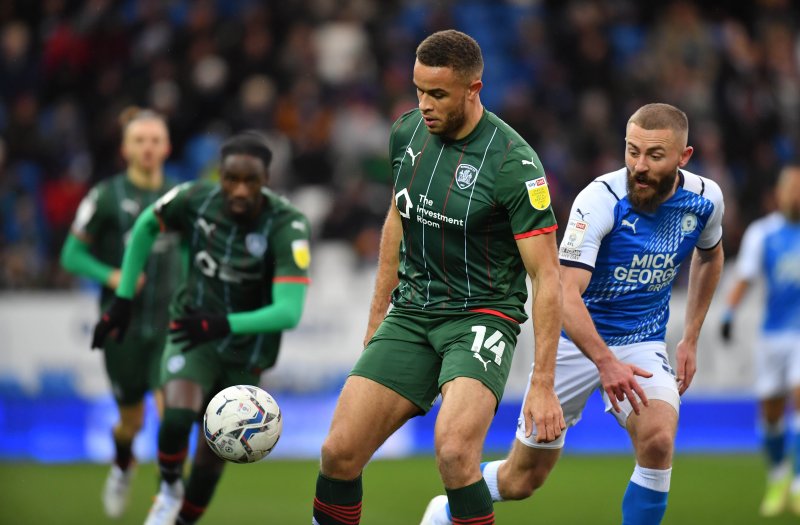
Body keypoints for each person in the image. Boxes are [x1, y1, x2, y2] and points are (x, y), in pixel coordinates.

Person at [421, 102, 725, 525]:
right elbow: (564, 293)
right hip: (571, 345)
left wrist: (690, 335)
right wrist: (604, 361)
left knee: (658, 441)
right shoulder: (600, 200)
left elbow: (710, 257)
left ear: (683, 157)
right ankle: (444, 511)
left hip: (640, 343)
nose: (639, 165)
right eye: (632, 150)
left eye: (654, 155)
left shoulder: (706, 199)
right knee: (522, 480)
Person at [312, 29, 565, 525]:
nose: (424, 105)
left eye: (438, 94)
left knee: (453, 453)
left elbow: (547, 276)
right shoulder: (406, 135)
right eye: (419, 90)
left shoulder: (514, 165)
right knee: (337, 452)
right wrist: (376, 321)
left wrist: (542, 382)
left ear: (474, 89)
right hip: (411, 313)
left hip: (481, 317)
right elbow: (396, 221)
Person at [91, 131, 311, 525]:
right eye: (231, 179)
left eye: (251, 181)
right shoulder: (194, 198)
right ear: (219, 177)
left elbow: (288, 313)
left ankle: (183, 519)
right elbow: (145, 226)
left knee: (216, 450)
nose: (240, 189)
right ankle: (169, 488)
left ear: (266, 180)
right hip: (193, 332)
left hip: (247, 350)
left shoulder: (287, 225)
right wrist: (123, 299)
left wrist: (222, 323)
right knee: (175, 417)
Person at [60, 107, 181, 519]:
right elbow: (71, 254)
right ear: (125, 148)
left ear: (166, 147)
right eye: (139, 141)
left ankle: (168, 495)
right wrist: (112, 276)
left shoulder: (181, 197)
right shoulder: (106, 196)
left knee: (172, 416)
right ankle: (122, 464)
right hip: (123, 330)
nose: (147, 148)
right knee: (129, 423)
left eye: (154, 140)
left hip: (169, 327)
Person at [720, 165, 800, 517]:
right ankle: (779, 475)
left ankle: (798, 482)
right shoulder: (762, 234)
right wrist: (728, 314)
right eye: (790, 189)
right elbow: (745, 277)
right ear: (778, 194)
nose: (795, 196)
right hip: (772, 335)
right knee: (770, 414)